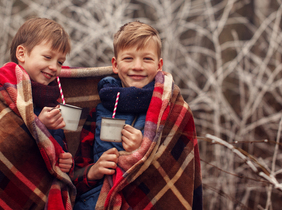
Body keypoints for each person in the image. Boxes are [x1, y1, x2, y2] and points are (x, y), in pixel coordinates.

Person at [72, 21, 203, 210]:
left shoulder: (171, 112)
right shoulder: (99, 111)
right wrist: (93, 171)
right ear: (115, 65)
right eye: (128, 59)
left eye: (147, 59)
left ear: (159, 65)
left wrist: (143, 151)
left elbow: (179, 176)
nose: (138, 66)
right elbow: (74, 176)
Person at [0, 17, 76, 210]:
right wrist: (39, 125)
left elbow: (55, 148)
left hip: (41, 195)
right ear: (22, 54)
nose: (54, 67)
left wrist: (64, 161)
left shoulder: (53, 98)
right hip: (4, 190)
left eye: (60, 62)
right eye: (47, 57)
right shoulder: (6, 89)